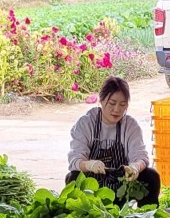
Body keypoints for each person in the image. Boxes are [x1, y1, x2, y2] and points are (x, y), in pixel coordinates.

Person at [67, 76, 161, 205]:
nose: (117, 109)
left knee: (151, 176)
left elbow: (141, 157)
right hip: (93, 189)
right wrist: (89, 165)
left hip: (123, 186)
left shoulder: (130, 125)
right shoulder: (86, 123)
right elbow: (75, 160)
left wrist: (134, 168)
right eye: (112, 103)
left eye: (122, 105)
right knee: (73, 177)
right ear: (101, 100)